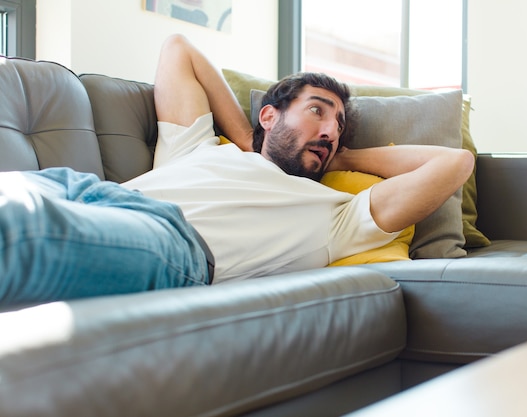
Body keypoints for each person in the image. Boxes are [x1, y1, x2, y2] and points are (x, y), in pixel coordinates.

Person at [0, 34, 474, 306]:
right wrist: (251, 141)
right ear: (270, 116)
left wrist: (343, 156)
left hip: (174, 244)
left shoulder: (338, 215)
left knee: (24, 233)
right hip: (94, 191)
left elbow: (453, 163)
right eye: (317, 111)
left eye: (339, 124)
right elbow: (178, 49)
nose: (331, 130)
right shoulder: (197, 146)